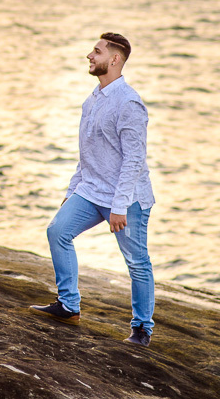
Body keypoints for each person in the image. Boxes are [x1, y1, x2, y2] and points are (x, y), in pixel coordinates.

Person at [30, 32, 156, 346]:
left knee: (137, 262)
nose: (90, 55)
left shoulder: (129, 103)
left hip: (127, 199)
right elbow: (88, 151)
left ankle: (142, 329)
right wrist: (73, 189)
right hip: (91, 190)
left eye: (96, 51)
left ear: (114, 60)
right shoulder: (93, 98)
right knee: (57, 230)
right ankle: (69, 306)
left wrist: (120, 205)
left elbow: (134, 159)